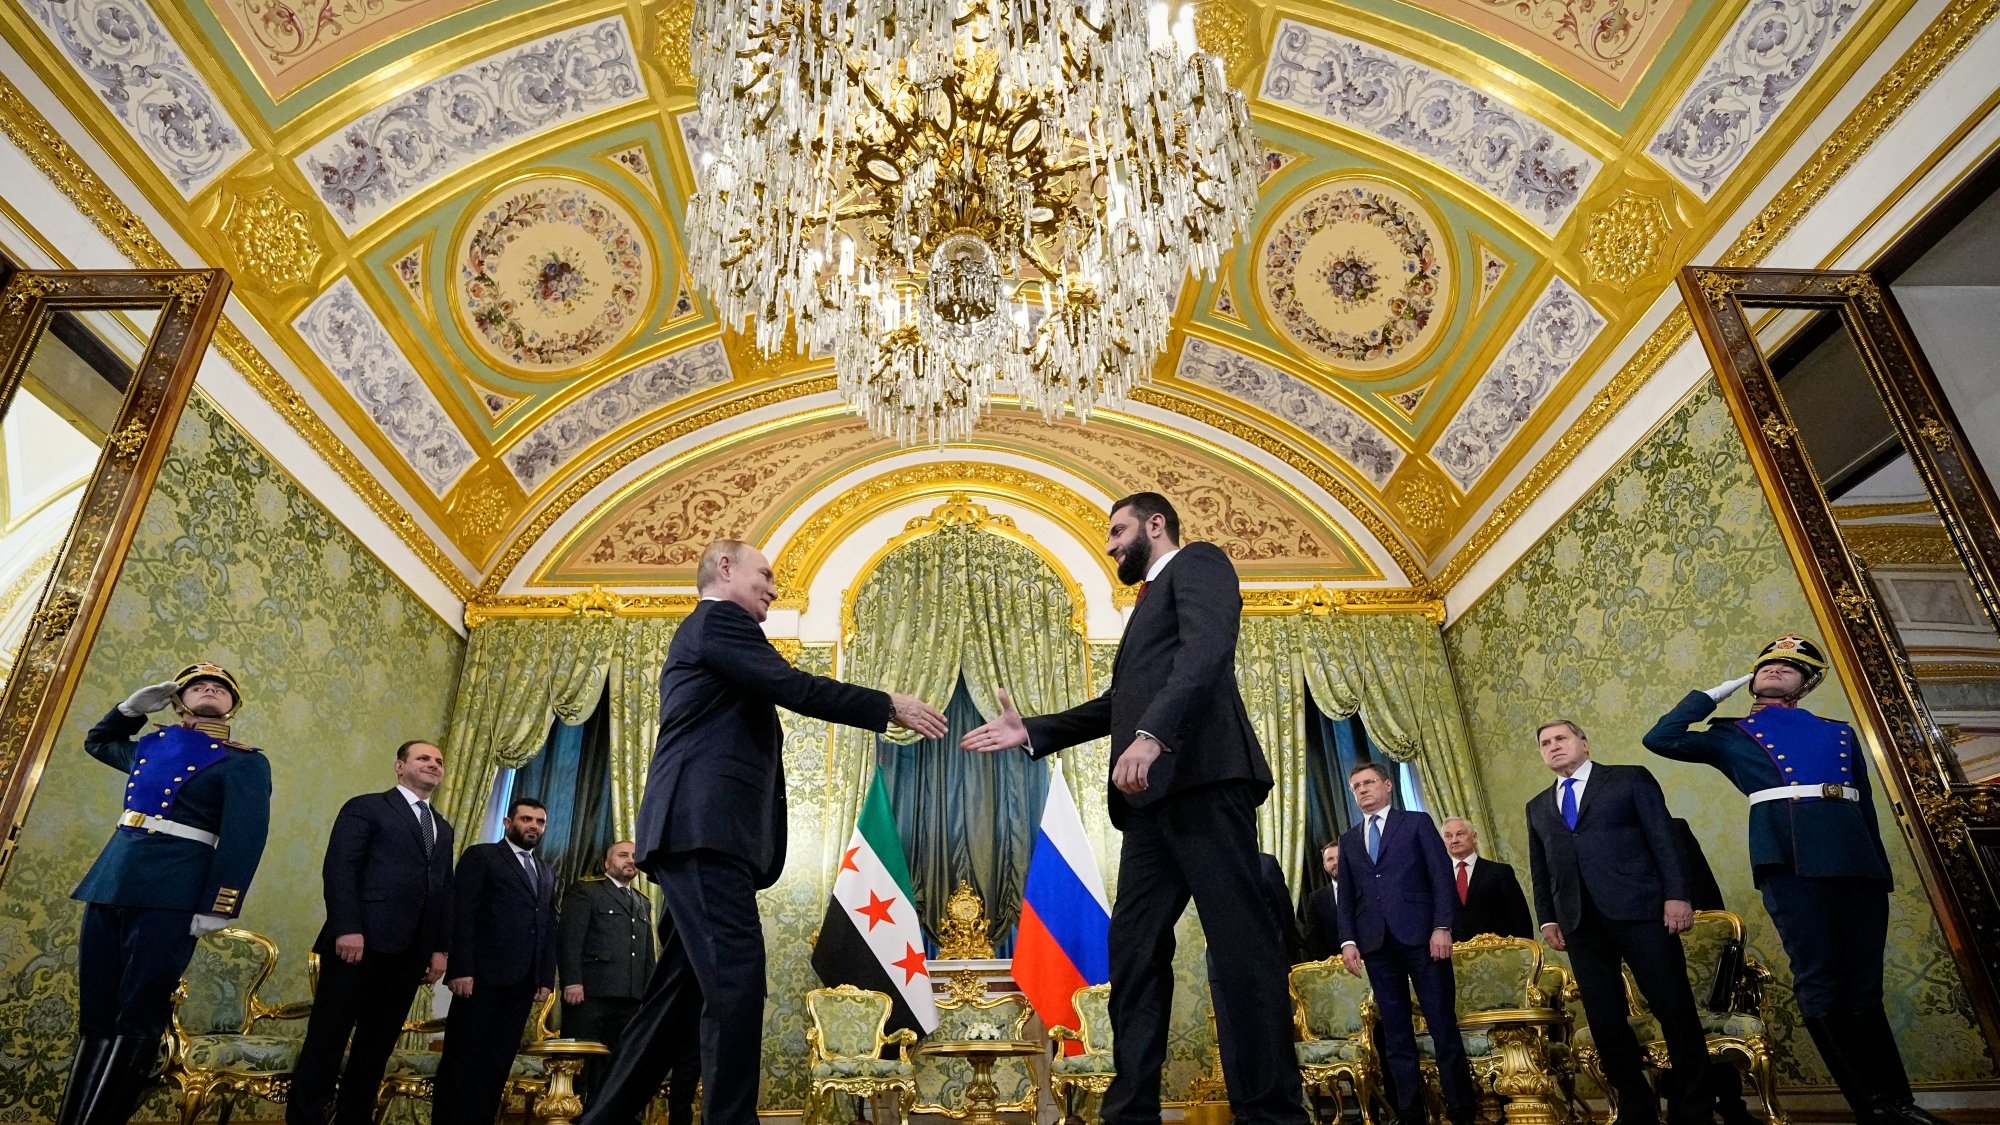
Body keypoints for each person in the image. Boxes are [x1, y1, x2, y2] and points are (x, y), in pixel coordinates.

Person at [962, 493, 1307, 1125]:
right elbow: (1121, 701)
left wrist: (1155, 737)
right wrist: (1033, 732)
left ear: (1156, 524)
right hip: (1148, 808)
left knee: (1240, 949)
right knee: (1134, 952)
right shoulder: (1144, 609)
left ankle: (1273, 1113)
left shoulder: (1199, 563)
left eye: (1119, 530)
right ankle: (1131, 1113)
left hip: (1203, 784)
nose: (1112, 543)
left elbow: (1207, 654)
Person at [580, 539, 946, 1125]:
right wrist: (887, 704)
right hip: (703, 835)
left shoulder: (711, 634)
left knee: (679, 998)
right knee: (736, 984)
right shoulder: (719, 620)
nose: (775, 588)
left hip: (697, 837)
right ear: (725, 569)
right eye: (767, 575)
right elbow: (794, 685)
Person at [1644, 635, 1946, 1125]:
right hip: (1791, 860)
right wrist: (1718, 692)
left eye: (1791, 666)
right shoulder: (1732, 734)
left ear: (1806, 684)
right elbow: (1660, 737)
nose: (1778, 668)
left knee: (1865, 987)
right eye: (1768, 664)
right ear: (1752, 680)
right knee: (1821, 982)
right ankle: (1869, 1108)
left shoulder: (1840, 731)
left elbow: (1864, 804)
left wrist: (1879, 869)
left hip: (1856, 861)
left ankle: (1900, 1103)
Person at [59, 663, 271, 1125]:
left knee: (139, 1010)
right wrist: (130, 709)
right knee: (97, 1011)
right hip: (112, 879)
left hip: (174, 890)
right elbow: (98, 741)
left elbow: (245, 837)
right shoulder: (150, 745)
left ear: (234, 706)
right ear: (178, 702)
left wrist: (219, 904)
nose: (210, 689)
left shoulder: (245, 760)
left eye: (221, 688)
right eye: (198, 686)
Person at [1526, 720, 1710, 1125]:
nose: (1553, 746)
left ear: (1584, 742)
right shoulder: (1537, 806)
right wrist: (1547, 920)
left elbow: (1664, 839)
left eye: (1561, 738)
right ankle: (1636, 1108)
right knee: (1606, 1020)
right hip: (1579, 924)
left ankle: (1693, 1109)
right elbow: (1542, 871)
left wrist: (1677, 895)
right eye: (1545, 743)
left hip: (1642, 911)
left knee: (1674, 1009)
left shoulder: (1628, 779)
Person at [289, 740, 455, 1125]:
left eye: (439, 761)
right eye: (423, 758)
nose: (433, 765)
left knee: (376, 1047)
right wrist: (347, 927)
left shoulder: (442, 827)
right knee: (327, 1041)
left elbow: (443, 890)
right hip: (357, 946)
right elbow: (340, 869)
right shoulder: (366, 807)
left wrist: (439, 949)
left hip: (409, 954)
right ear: (399, 766)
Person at [1336, 763, 1477, 1125]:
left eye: (1369, 783)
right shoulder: (1350, 839)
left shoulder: (1416, 823)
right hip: (1376, 945)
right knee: (1396, 1035)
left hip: (1424, 939)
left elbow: (1440, 876)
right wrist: (1348, 939)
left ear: (1387, 785)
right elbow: (1348, 895)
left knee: (1443, 1027)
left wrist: (1442, 926)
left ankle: (1461, 1111)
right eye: (1356, 787)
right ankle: (1410, 1113)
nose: (1362, 790)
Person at [432, 798, 559, 1125]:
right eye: (527, 819)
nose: (533, 826)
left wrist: (544, 978)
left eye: (540, 822)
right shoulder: (482, 856)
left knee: (497, 1064)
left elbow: (547, 926)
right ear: (508, 822)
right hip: (480, 979)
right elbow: (463, 914)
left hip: (521, 983)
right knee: (462, 1060)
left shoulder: (544, 870)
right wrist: (462, 969)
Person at [558, 842, 678, 1116]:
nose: (630, 861)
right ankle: (575, 1117)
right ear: (606, 863)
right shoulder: (587, 891)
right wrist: (572, 981)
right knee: (581, 1065)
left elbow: (648, 955)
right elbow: (570, 940)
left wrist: (650, 995)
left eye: (635, 856)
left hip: (630, 999)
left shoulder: (641, 901)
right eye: (623, 855)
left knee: (619, 1064)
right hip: (591, 995)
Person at [1440, 817, 1534, 941]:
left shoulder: (1499, 872)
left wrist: (1525, 951)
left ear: (1474, 837)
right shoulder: (1439, 878)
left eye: (1460, 834)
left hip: (1500, 951)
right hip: (1456, 954)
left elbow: (1520, 917)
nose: (1454, 840)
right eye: (1448, 836)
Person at [1302, 841, 1343, 961]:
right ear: (1324, 866)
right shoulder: (1316, 899)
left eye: (1339, 857)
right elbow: (1313, 940)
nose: (1336, 862)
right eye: (1330, 859)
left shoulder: (1366, 889)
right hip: (1335, 971)